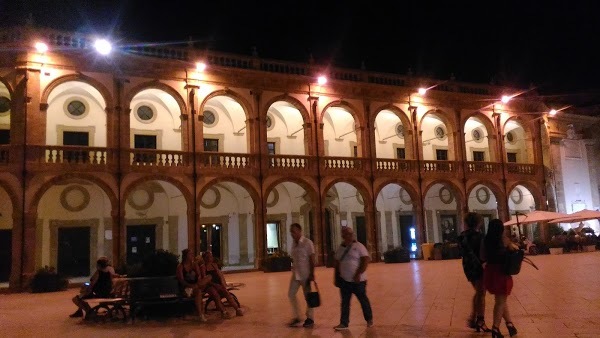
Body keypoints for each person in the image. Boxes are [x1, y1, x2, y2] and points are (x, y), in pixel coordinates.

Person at [482, 219, 519, 338]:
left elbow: (482, 256)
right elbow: (515, 250)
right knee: (500, 302)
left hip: (490, 272)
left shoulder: (485, 240)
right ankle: (495, 328)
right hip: (501, 273)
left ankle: (510, 324)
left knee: (501, 301)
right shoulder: (503, 240)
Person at [333, 226, 373, 331]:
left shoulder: (359, 246)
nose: (349, 236)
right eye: (347, 234)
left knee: (363, 300)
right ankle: (344, 323)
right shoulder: (340, 248)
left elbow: (365, 260)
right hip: (344, 281)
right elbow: (337, 264)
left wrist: (358, 273)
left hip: (358, 281)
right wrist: (336, 277)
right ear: (343, 236)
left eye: (351, 234)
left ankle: (369, 319)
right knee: (345, 302)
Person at [457, 212, 489, 332]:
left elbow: (460, 253)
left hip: (468, 267)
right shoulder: (480, 236)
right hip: (479, 266)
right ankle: (479, 320)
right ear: (479, 223)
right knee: (481, 293)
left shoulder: (461, 237)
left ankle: (474, 318)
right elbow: (483, 254)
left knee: (479, 292)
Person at [287, 223, 316, 328]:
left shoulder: (308, 243)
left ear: (299, 231)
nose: (292, 234)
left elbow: (312, 259)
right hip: (296, 274)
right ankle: (297, 316)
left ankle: (310, 318)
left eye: (293, 231)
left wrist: (312, 273)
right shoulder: (294, 244)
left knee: (308, 297)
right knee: (291, 294)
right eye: (291, 232)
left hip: (305, 274)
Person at [201, 251, 244, 318]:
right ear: (205, 258)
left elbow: (219, 275)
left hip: (218, 284)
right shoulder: (203, 267)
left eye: (211, 256)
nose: (210, 258)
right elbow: (205, 280)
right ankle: (224, 312)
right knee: (216, 295)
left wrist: (222, 284)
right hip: (209, 285)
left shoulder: (214, 265)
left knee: (226, 293)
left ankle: (237, 309)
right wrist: (215, 285)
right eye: (208, 257)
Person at [176, 248, 211, 322]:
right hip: (186, 288)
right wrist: (189, 286)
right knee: (198, 292)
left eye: (192, 254)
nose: (192, 255)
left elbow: (199, 276)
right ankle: (200, 314)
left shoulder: (194, 265)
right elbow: (181, 280)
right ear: (185, 256)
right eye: (190, 254)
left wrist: (196, 284)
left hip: (195, 286)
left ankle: (200, 314)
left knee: (209, 277)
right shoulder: (180, 266)